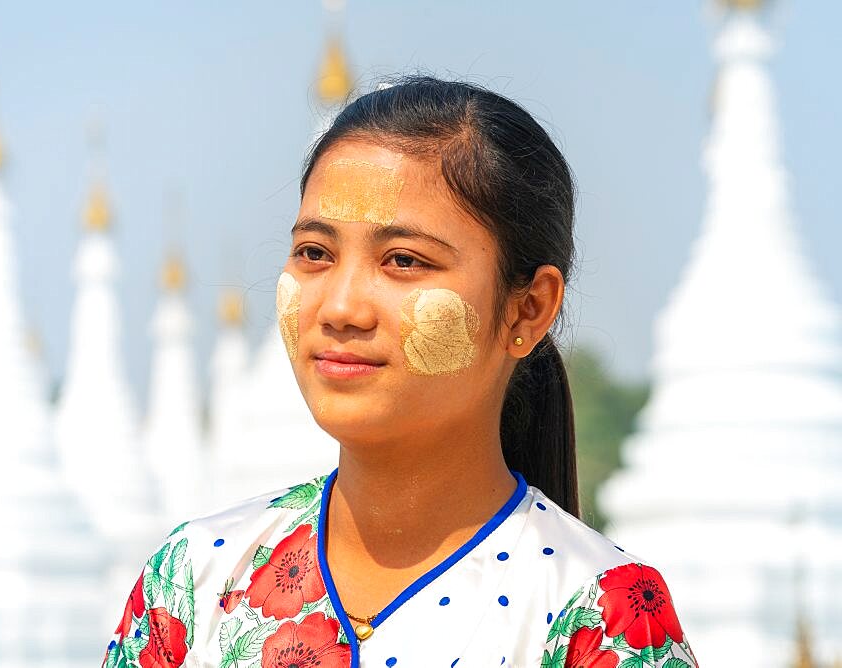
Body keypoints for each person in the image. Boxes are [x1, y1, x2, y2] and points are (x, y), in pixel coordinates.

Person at [102, 76, 698, 668]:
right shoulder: (195, 582)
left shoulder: (599, 615)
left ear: (527, 308)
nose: (339, 307)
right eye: (315, 253)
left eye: (403, 261)